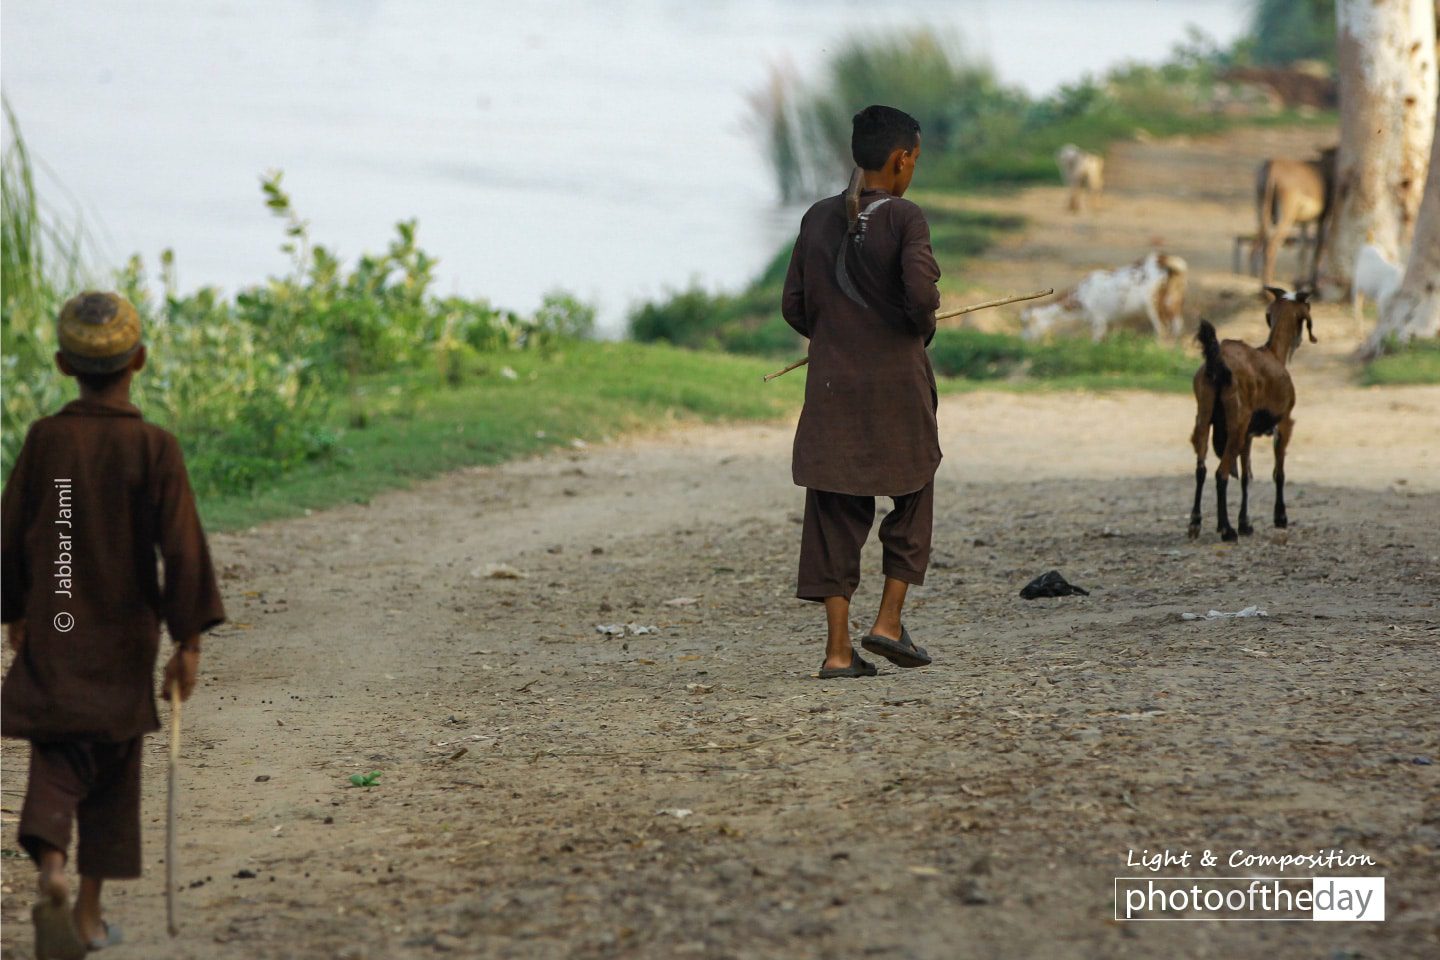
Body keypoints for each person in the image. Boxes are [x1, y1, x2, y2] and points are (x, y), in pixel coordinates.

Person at [2, 291, 225, 957]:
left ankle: (51, 869)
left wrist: (15, 611)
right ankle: (88, 917)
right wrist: (188, 642)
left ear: (63, 366)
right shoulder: (155, 447)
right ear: (140, 360)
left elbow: (11, 533)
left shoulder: (47, 441)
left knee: (57, 757)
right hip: (124, 636)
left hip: (57, 623)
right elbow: (181, 548)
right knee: (111, 771)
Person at [781, 105, 942, 679]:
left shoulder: (816, 216)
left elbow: (794, 305)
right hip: (898, 385)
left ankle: (838, 651)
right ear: (900, 159)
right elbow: (921, 299)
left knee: (833, 510)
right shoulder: (905, 217)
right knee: (914, 488)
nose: (912, 170)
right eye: (914, 161)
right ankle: (889, 622)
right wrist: (917, 329)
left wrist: (838, 336)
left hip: (832, 387)